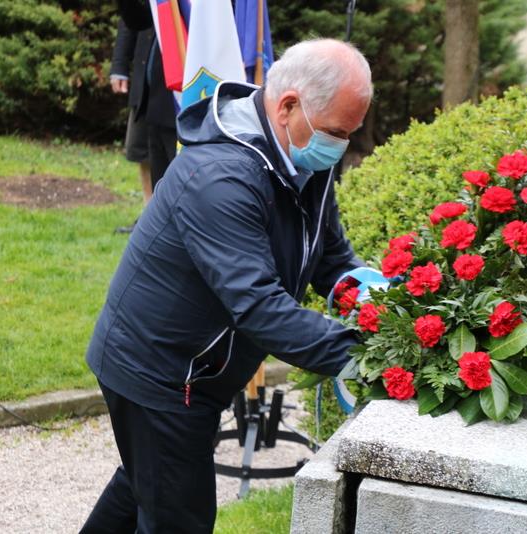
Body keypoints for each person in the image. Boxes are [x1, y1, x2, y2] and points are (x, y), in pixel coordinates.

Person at [80, 38, 372, 533]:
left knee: (146, 483)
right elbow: (257, 306)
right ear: (288, 106)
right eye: (337, 133)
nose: (341, 147)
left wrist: (375, 299)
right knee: (178, 517)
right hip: (162, 372)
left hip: (195, 366)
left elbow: (329, 256)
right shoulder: (221, 176)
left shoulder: (303, 156)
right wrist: (366, 354)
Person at [110, 19, 153, 207]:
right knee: (143, 150)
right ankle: (149, 214)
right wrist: (119, 66)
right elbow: (130, 15)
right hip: (146, 74)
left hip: (183, 71)